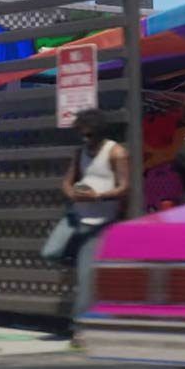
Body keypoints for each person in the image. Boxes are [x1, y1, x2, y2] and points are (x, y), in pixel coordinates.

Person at [62, 109, 130, 317]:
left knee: (86, 277)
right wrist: (72, 193)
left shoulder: (115, 152)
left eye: (89, 135)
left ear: (100, 132)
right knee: (51, 252)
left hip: (101, 222)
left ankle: (80, 324)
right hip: (77, 218)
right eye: (81, 134)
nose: (85, 139)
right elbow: (67, 182)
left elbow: (124, 187)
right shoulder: (80, 152)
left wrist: (97, 196)